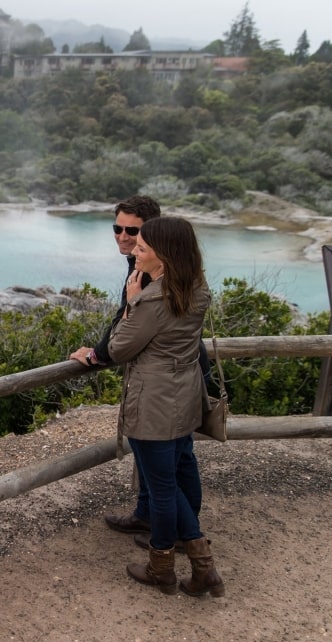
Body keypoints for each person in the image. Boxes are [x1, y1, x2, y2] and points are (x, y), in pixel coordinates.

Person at [106, 216, 225, 597]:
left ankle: (169, 568)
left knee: (162, 486)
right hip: (184, 392)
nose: (134, 253)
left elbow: (118, 348)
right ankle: (199, 568)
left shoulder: (152, 299)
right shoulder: (196, 287)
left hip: (154, 399)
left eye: (141, 248)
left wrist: (130, 303)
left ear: (164, 256)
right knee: (175, 475)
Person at [69, 196, 161, 536]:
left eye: (131, 231)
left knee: (160, 464)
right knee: (170, 460)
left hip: (159, 383)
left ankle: (172, 540)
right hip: (178, 377)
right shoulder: (152, 264)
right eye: (117, 228)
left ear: (150, 231)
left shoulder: (150, 272)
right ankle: (151, 517)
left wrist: (98, 355)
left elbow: (128, 325)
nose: (122, 236)